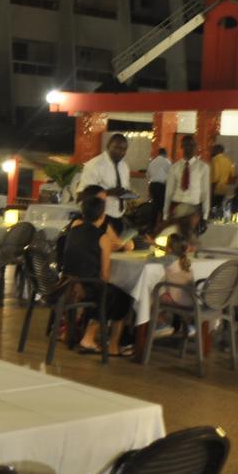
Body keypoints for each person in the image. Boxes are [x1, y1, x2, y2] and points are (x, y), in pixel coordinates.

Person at [60, 196, 134, 356]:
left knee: (110, 293)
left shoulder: (74, 230)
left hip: (67, 284)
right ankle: (99, 341)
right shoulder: (102, 238)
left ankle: (93, 337)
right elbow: (105, 275)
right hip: (86, 287)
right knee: (123, 295)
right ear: (102, 216)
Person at [76, 133, 133, 233]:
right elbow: (81, 195)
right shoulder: (95, 165)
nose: (120, 152)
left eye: (124, 149)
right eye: (116, 147)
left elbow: (125, 188)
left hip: (119, 217)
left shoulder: (124, 166)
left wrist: (127, 194)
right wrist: (109, 192)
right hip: (100, 218)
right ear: (108, 146)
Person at [165, 135, 210, 220]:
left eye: (192, 145)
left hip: (193, 208)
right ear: (182, 146)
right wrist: (165, 213)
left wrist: (205, 214)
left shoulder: (203, 167)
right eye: (186, 145)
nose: (189, 148)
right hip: (176, 206)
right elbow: (169, 191)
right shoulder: (174, 167)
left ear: (196, 147)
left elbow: (205, 192)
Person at [210, 144, 235, 215]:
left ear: (216, 150)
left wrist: (212, 188)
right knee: (220, 206)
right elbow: (232, 176)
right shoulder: (228, 161)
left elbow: (215, 176)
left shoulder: (214, 160)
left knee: (212, 207)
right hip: (224, 188)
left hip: (215, 188)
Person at [147, 148, 170, 213]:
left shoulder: (152, 162)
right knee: (162, 206)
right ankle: (160, 221)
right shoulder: (167, 161)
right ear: (165, 154)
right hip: (161, 186)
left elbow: (148, 175)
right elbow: (171, 174)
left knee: (154, 204)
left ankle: (152, 222)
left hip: (153, 185)